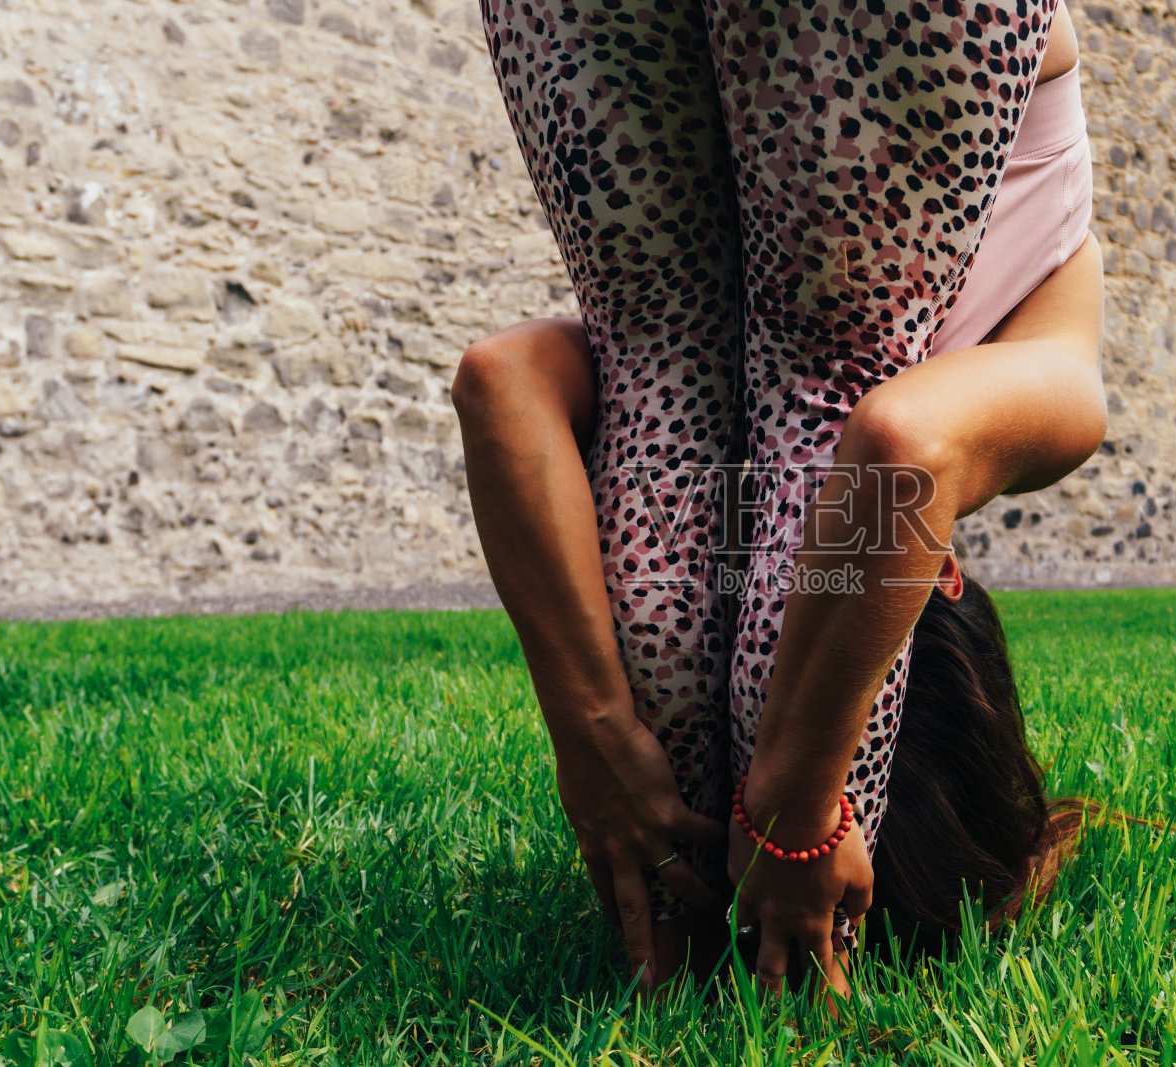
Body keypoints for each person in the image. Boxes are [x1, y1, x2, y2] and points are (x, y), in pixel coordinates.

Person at [465, 0, 1104, 994]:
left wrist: (601, 734)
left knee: (686, 367)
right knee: (743, 368)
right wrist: (799, 809)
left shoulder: (739, 462)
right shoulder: (1033, 392)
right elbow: (892, 449)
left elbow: (501, 380)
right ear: (932, 571)